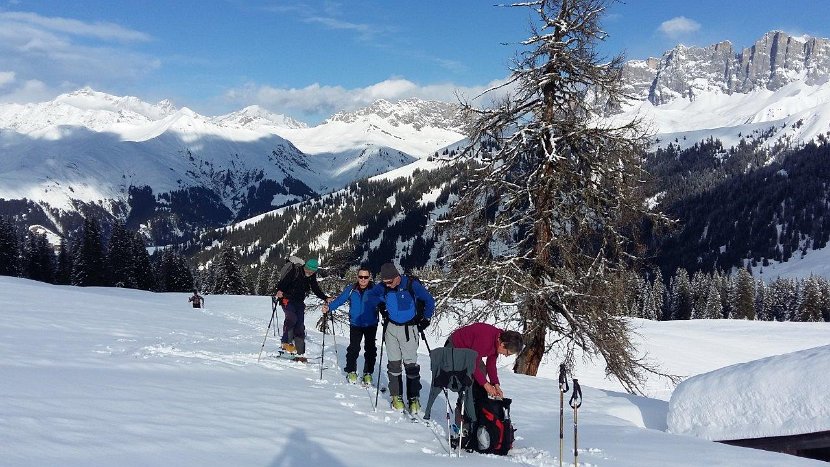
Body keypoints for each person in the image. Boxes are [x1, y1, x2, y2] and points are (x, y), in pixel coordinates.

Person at [369, 262, 435, 413]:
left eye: (389, 282)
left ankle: (413, 399)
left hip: (409, 329)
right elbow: (371, 296)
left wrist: (426, 318)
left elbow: (429, 300)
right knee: (394, 365)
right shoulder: (384, 286)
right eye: (384, 283)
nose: (387, 285)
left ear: (397, 277)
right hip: (391, 329)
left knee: (411, 365)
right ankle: (396, 396)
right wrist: (381, 306)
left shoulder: (411, 284)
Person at [445, 322, 523, 425]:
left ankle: (477, 410)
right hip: (454, 349)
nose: (506, 356)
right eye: (508, 353)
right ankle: (463, 418)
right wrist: (486, 384)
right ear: (503, 344)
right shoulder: (485, 339)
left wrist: (496, 385)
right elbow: (472, 365)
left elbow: (491, 364)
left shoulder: (498, 341)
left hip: (469, 353)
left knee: (481, 375)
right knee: (470, 381)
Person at [323, 267, 381, 385]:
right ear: (357, 277)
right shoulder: (351, 289)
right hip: (356, 324)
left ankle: (368, 373)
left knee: (370, 349)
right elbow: (340, 300)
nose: (363, 279)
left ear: (370, 277)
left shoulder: (375, 290)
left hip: (371, 324)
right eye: (361, 277)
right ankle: (351, 371)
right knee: (353, 348)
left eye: (366, 277)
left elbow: (385, 302)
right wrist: (329, 308)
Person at [274, 258, 331, 363]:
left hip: (299, 302)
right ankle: (285, 344)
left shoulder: (311, 276)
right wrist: (279, 291)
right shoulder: (295, 271)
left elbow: (315, 288)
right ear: (305, 267)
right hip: (287, 299)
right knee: (292, 318)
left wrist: (324, 297)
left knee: (300, 324)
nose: (310, 272)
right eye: (309, 270)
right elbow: (283, 283)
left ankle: (300, 351)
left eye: (313, 271)